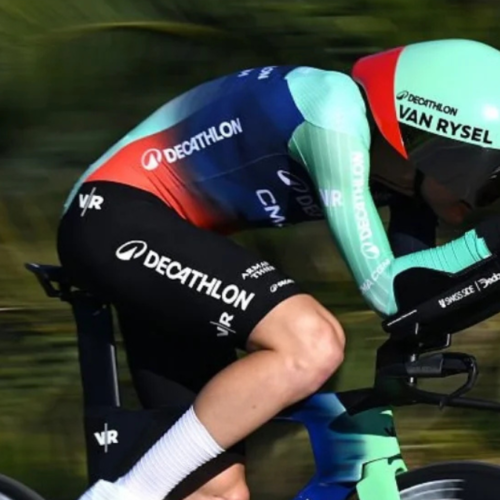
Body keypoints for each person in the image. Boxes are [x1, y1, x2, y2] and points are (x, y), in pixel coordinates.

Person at [58, 38, 500, 500]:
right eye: (487, 180)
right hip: (110, 217)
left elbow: (412, 303)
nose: (483, 200)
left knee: (218, 492)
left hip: (171, 249)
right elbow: (384, 287)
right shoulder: (332, 113)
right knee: (311, 342)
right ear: (439, 148)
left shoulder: (403, 181)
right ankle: (122, 495)